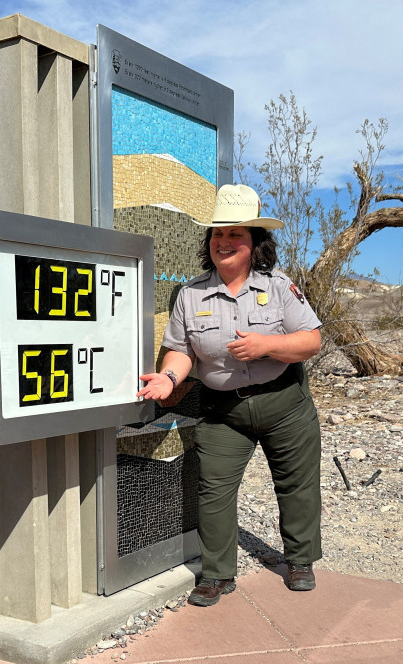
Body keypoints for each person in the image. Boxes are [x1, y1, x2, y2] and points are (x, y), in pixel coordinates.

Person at [138, 184, 322, 607]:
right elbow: (181, 350)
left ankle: (300, 560)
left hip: (284, 404)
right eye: (218, 234)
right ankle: (218, 574)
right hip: (224, 412)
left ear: (254, 243)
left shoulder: (279, 287)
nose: (224, 242)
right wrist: (168, 378)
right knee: (213, 490)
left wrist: (266, 346)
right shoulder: (191, 294)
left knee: (296, 486)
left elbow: (311, 341)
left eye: (236, 234)